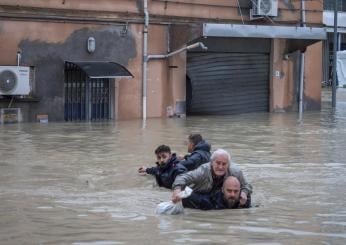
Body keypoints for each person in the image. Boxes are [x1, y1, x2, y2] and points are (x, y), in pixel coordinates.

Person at [171, 148, 252, 205]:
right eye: (218, 163)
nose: (220, 167)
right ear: (212, 162)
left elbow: (247, 185)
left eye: (224, 164)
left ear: (229, 164)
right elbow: (182, 177)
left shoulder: (235, 171)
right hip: (201, 195)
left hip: (219, 197)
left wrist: (244, 193)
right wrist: (177, 190)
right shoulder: (202, 171)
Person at [182, 176, 251, 210]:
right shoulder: (210, 202)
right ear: (222, 190)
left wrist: (242, 206)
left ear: (240, 190)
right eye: (229, 191)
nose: (233, 194)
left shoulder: (245, 200)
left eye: (236, 191)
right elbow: (187, 197)